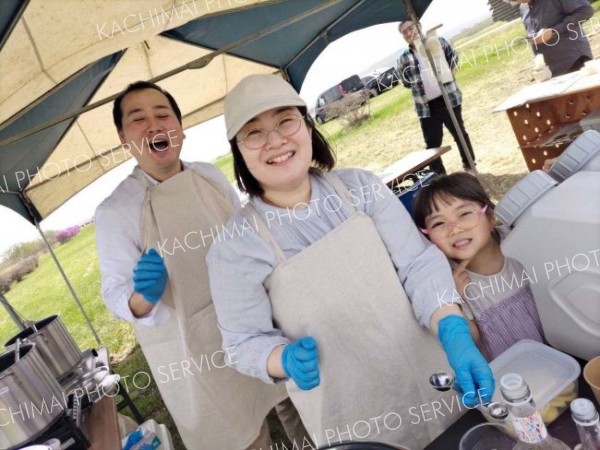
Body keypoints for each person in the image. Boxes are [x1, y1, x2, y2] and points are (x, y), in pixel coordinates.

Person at [206, 74, 495, 449]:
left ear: (307, 127)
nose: (275, 141)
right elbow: (243, 341)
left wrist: (453, 331)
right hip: (351, 408)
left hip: (431, 371)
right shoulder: (234, 247)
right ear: (239, 152)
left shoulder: (360, 187)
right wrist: (281, 359)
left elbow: (417, 265)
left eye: (284, 121)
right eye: (254, 132)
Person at [94, 81, 305, 449]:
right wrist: (143, 297)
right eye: (138, 119)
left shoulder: (209, 175)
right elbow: (115, 292)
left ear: (180, 127)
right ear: (123, 138)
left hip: (254, 317)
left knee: (297, 401)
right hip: (195, 350)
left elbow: (246, 231)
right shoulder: (116, 210)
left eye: (163, 115)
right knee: (242, 433)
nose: (154, 125)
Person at [413, 172, 545, 360]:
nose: (455, 229)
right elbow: (472, 340)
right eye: (438, 223)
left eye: (465, 214)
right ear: (428, 237)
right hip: (516, 377)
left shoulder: (521, 240)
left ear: (490, 215)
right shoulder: (449, 283)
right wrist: (455, 302)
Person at [397, 20, 476, 174]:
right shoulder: (404, 58)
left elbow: (453, 59)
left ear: (419, 26)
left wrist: (446, 75)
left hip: (448, 98)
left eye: (410, 28)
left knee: (459, 133)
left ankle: (469, 166)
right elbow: (406, 81)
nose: (408, 33)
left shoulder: (438, 42)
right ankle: (439, 176)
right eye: (404, 32)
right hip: (426, 106)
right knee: (432, 143)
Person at [514, 0, 594, 77]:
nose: (520, 1)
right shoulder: (523, 8)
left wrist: (554, 31)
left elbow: (586, 11)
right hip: (550, 73)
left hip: (575, 62)